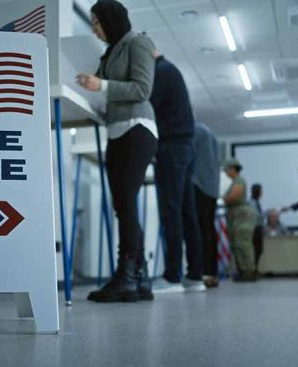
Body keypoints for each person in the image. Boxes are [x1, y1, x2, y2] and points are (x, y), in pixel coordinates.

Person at [77, 0, 158, 302]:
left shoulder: (138, 42)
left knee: (124, 202)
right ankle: (140, 277)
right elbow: (106, 88)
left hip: (137, 128)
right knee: (124, 205)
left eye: (97, 22)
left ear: (112, 20)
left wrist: (102, 86)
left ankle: (126, 277)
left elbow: (142, 89)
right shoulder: (110, 51)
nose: (95, 29)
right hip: (117, 130)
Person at [147, 45, 204, 293]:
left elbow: (147, 106)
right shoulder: (171, 70)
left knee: (171, 210)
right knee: (187, 213)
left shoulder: (161, 72)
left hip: (171, 147)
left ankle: (172, 277)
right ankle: (195, 276)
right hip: (185, 147)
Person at [192, 122, 220, 288]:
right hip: (211, 188)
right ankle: (211, 273)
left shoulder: (194, 131)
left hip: (199, 185)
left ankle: (201, 273)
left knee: (200, 231)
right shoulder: (209, 132)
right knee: (208, 231)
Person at [222, 158, 257, 282]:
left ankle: (249, 271)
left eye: (227, 169)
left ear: (233, 169)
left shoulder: (239, 181)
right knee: (237, 244)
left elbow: (234, 196)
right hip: (236, 217)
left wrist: (223, 199)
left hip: (242, 217)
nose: (226, 172)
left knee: (243, 244)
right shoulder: (234, 182)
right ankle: (243, 270)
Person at [249, 184, 264, 274]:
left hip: (259, 227)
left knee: (259, 249)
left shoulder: (257, 202)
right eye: (261, 191)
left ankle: (256, 268)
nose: (262, 193)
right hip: (254, 228)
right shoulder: (252, 202)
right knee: (255, 249)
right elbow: (256, 215)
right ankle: (253, 269)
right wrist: (267, 213)